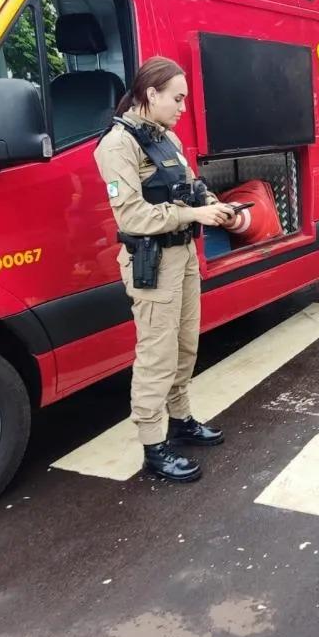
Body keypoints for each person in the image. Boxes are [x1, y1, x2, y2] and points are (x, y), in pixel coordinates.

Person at [95, 57, 237, 482]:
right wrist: (193, 215)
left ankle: (180, 419)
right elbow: (133, 217)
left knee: (185, 344)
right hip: (152, 263)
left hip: (183, 255)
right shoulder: (117, 146)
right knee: (156, 355)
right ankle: (154, 446)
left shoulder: (166, 138)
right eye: (176, 99)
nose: (182, 108)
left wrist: (212, 205)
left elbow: (192, 187)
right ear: (150, 94)